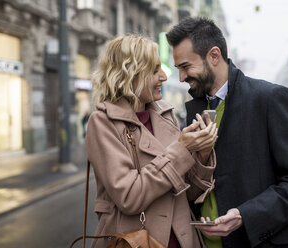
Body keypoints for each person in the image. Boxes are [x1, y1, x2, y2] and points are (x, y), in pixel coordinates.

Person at [166, 17, 288, 248]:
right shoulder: (194, 110)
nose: (181, 77)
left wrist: (245, 215)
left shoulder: (271, 98)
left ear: (214, 56)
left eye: (186, 66)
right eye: (178, 68)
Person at [85, 35, 219, 248]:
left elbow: (188, 193)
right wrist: (182, 148)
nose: (164, 77)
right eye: (155, 70)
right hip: (137, 241)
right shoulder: (103, 122)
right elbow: (129, 197)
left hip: (183, 240)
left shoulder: (165, 114)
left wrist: (201, 152)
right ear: (130, 74)